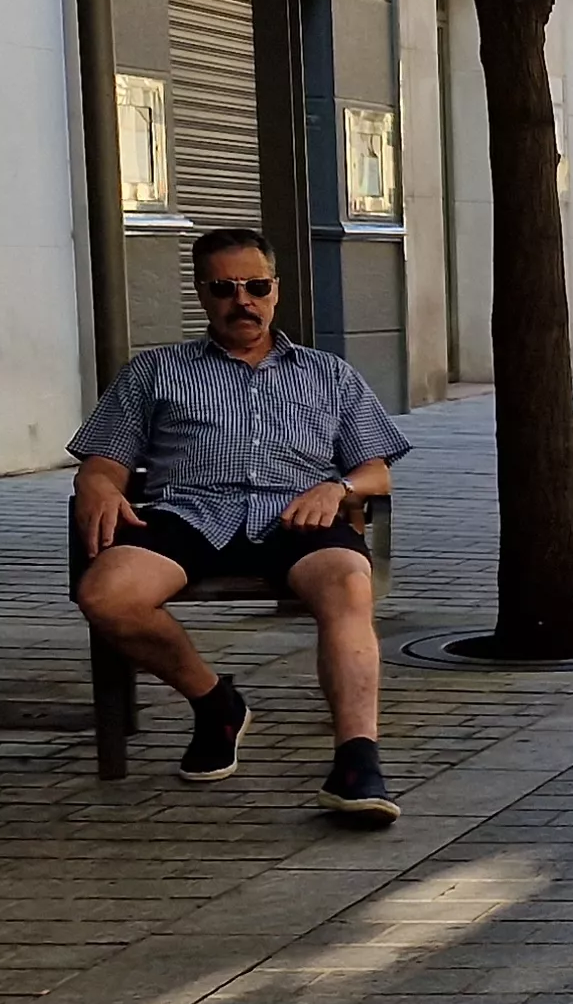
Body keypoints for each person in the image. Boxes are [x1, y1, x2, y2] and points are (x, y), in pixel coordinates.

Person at [69, 229, 415, 823]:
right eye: (225, 288)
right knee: (107, 596)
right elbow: (103, 463)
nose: (242, 301)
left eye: (256, 286)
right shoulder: (154, 371)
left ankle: (358, 760)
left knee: (348, 585)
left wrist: (340, 488)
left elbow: (375, 472)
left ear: (275, 291)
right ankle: (215, 702)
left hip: (297, 514)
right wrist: (97, 485)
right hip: (188, 514)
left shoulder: (329, 374)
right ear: (202, 293)